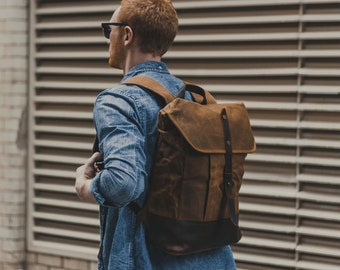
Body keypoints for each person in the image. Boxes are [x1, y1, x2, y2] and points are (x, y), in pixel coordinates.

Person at [75, 0, 237, 269]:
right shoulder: (197, 99)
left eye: (109, 30)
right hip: (212, 257)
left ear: (126, 35)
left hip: (145, 258)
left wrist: (86, 186)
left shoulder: (118, 101)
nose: (108, 38)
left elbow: (123, 184)